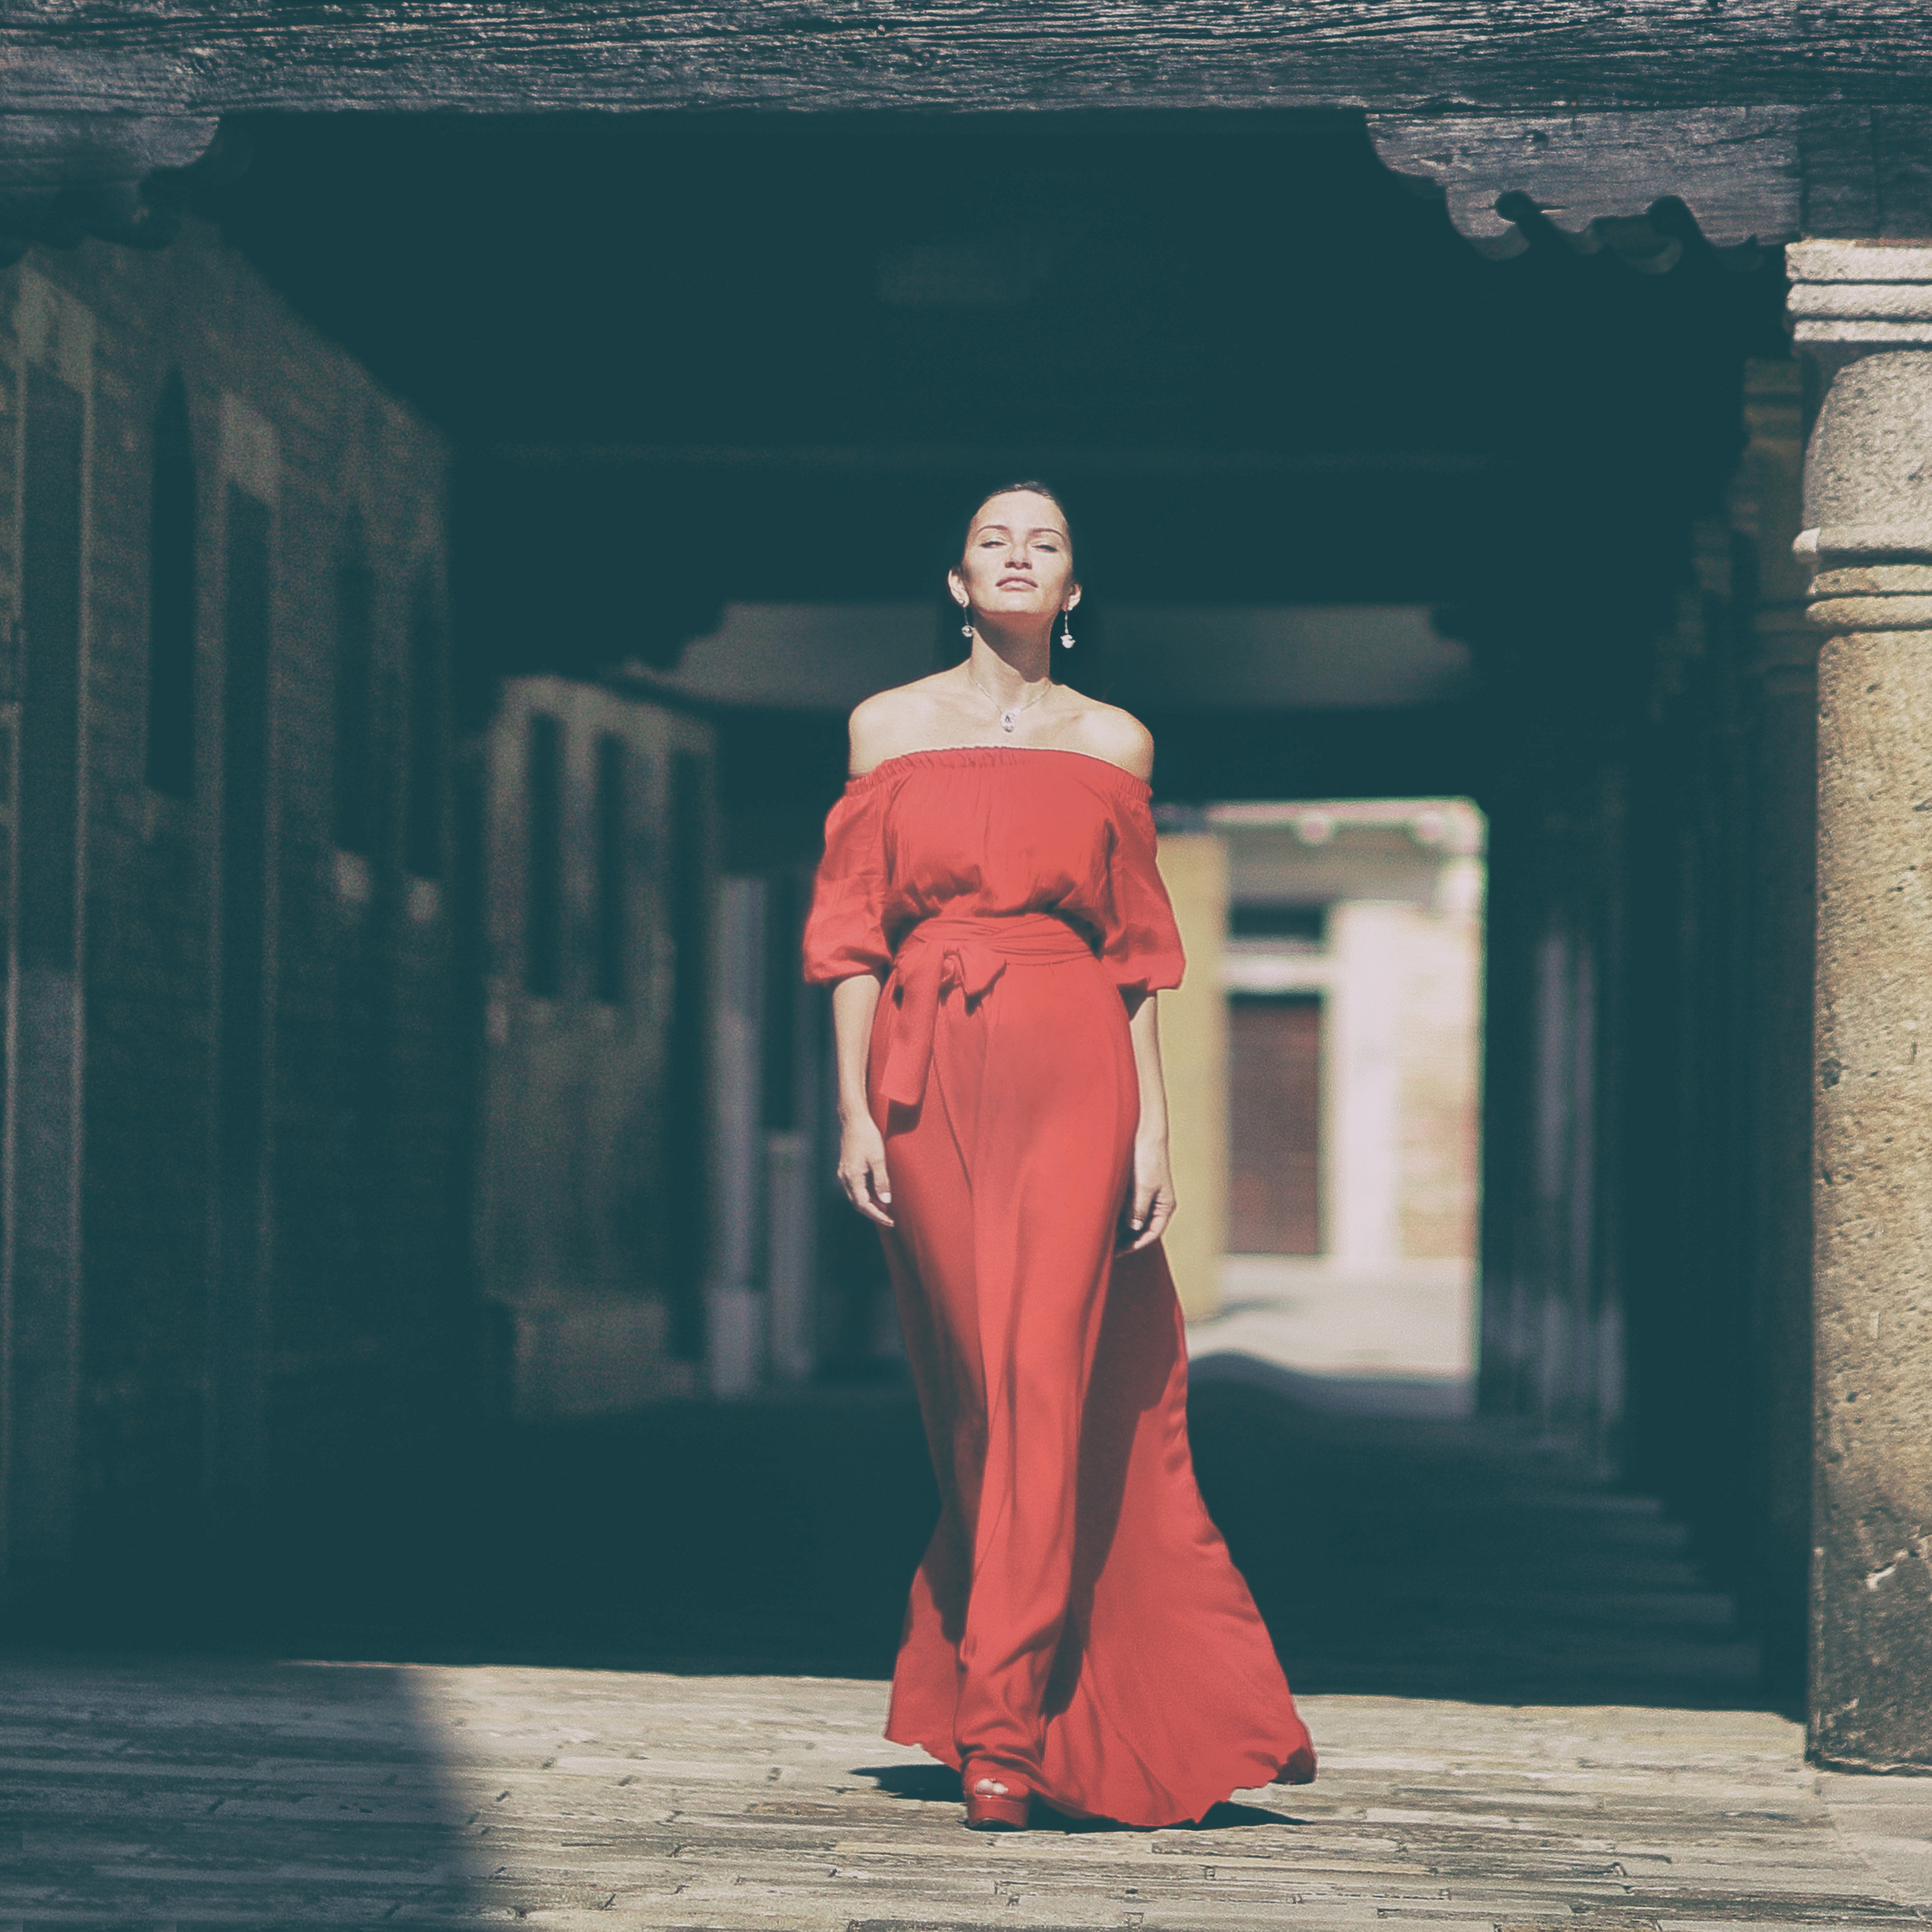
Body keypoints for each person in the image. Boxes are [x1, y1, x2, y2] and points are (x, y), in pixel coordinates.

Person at [801, 482, 1316, 1832]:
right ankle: (1010, 1667)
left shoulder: (1116, 741)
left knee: (1043, 1374)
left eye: (1046, 543)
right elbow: (850, 937)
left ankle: (1000, 1734)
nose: (1018, 556)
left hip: (1075, 1065)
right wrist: (854, 1109)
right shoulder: (885, 726)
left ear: (1073, 591)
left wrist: (1154, 1128)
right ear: (958, 581)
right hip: (923, 1072)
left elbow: (1136, 957)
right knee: (974, 1389)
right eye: (994, 539)